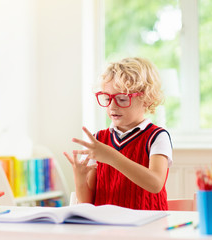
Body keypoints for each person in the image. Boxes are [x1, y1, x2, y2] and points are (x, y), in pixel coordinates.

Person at [63, 57, 172, 210]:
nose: (112, 106)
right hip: (107, 227)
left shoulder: (157, 137)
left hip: (149, 227)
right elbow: (87, 204)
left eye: (122, 99)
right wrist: (80, 178)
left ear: (147, 99)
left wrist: (112, 157)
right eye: (107, 98)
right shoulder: (98, 140)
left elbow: (155, 184)